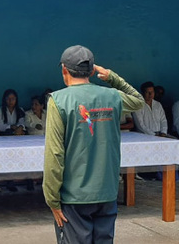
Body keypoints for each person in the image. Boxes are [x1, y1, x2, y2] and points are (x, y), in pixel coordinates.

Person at [43, 45, 145, 244]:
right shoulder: (112, 97)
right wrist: (112, 77)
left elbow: (55, 155)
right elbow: (138, 100)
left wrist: (52, 199)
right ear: (92, 71)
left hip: (74, 197)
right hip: (107, 193)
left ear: (64, 69)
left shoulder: (58, 100)